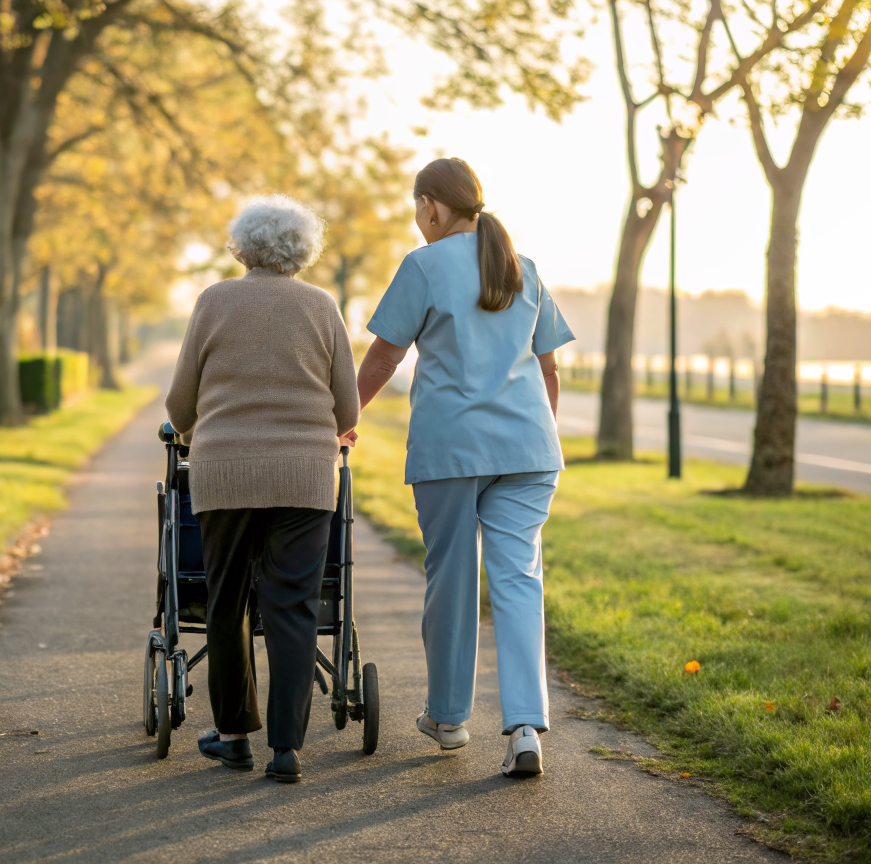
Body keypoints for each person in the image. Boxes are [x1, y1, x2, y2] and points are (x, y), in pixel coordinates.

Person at [352, 157, 574, 777]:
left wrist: (342, 418)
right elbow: (549, 369)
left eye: (416, 208)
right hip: (529, 449)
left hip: (452, 449)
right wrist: (536, 437)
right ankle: (525, 728)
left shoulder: (424, 265)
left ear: (430, 206)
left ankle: (449, 718)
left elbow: (384, 359)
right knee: (519, 580)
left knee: (451, 577)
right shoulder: (522, 266)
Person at [165, 195, 359, 784]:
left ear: (242, 246)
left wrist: (197, 430)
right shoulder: (322, 306)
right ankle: (286, 749)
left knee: (226, 602)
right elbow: (348, 408)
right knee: (292, 606)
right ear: (303, 250)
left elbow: (180, 403)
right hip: (305, 476)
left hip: (223, 473)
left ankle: (233, 739)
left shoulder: (214, 300)